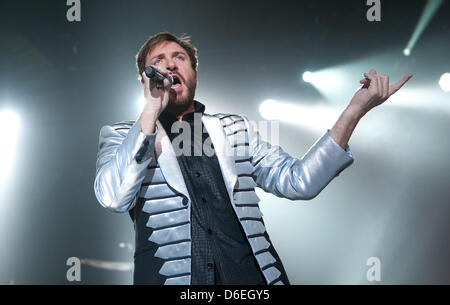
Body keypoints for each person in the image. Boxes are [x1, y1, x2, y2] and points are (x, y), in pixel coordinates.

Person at [94, 32, 412, 285]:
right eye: (159, 60)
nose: (171, 65)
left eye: (180, 58)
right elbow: (112, 196)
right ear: (144, 78)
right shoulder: (122, 135)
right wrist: (151, 109)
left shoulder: (235, 129)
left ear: (193, 72)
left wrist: (355, 110)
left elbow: (299, 181)